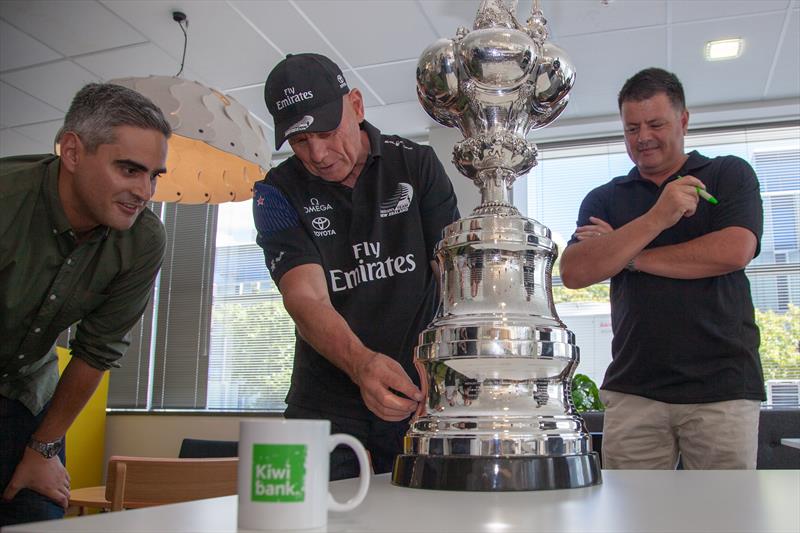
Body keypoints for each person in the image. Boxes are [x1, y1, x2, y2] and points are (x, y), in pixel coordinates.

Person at [253, 53, 459, 479]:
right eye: (300, 142)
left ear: (358, 106)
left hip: (413, 393)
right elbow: (304, 296)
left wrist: (438, 374)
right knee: (309, 520)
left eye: (327, 132)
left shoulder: (417, 165)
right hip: (321, 403)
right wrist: (361, 364)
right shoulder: (275, 193)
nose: (319, 154)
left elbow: (451, 278)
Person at [559, 68, 764, 470]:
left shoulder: (728, 174)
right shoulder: (605, 198)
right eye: (632, 127)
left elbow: (733, 250)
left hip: (722, 387)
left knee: (726, 520)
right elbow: (575, 272)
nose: (643, 137)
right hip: (635, 390)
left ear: (683, 120)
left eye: (656, 124)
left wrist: (627, 254)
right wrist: (658, 217)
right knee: (633, 520)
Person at [0, 83, 170, 525]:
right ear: (73, 152)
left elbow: (97, 352)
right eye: (130, 170)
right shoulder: (7, 200)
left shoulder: (143, 239)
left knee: (38, 515)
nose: (145, 190)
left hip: (27, 394)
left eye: (154, 175)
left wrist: (42, 449)